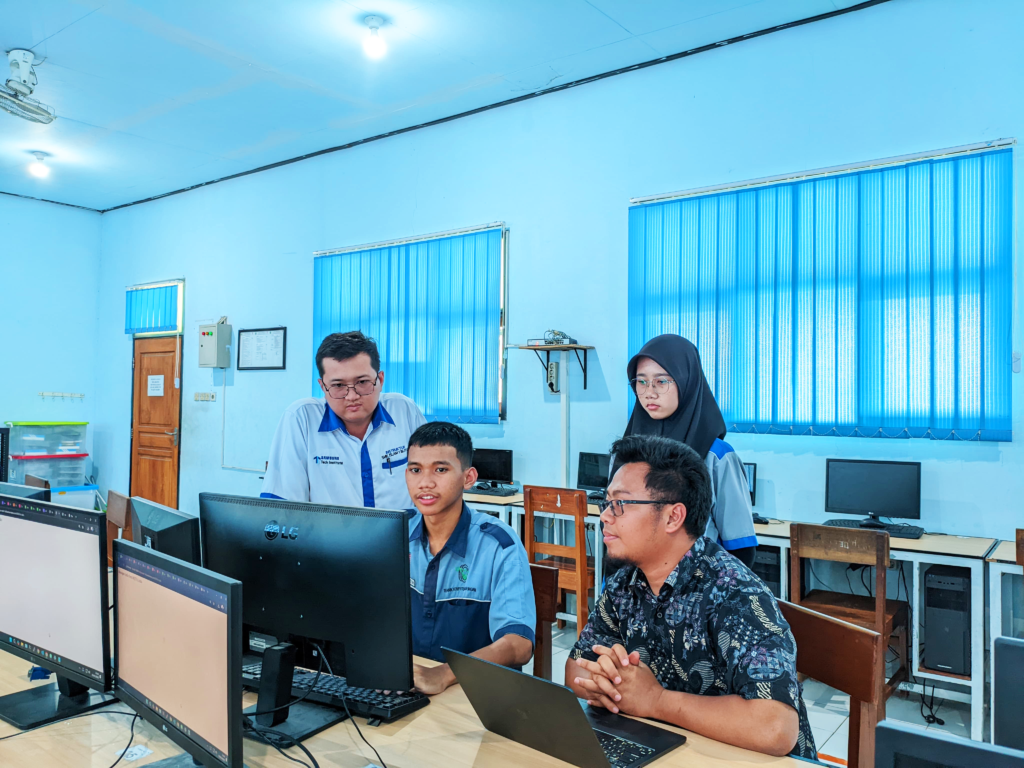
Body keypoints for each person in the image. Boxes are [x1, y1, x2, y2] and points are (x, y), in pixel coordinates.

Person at [565, 434, 816, 760]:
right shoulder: (624, 584)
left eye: (620, 504)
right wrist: (613, 680)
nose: (605, 516)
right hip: (669, 750)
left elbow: (775, 728)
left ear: (673, 517)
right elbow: (575, 671)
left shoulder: (736, 594)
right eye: (606, 502)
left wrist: (655, 700)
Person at [404, 422, 535, 695]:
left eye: (440, 469)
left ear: (468, 477)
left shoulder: (499, 546)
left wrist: (444, 673)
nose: (425, 482)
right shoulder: (394, 534)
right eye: (415, 470)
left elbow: (519, 644)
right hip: (407, 687)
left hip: (475, 695)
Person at [624, 334, 757, 567]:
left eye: (661, 381)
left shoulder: (716, 457)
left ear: (686, 381)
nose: (649, 392)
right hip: (633, 580)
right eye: (641, 382)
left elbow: (741, 546)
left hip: (694, 583)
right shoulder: (626, 452)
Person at [261, 331, 426, 508]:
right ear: (322, 387)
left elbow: (435, 476)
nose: (352, 396)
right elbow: (283, 506)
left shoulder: (404, 410)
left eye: (362, 382)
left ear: (380, 380)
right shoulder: (301, 418)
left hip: (406, 527)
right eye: (338, 385)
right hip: (329, 528)